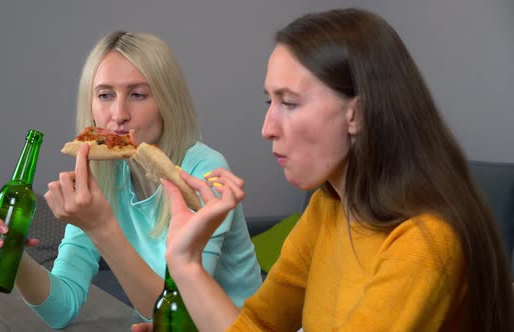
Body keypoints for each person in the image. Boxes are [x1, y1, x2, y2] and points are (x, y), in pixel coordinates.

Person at [133, 8, 514, 332]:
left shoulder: (425, 241)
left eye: (290, 103)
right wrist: (184, 260)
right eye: (270, 100)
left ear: (356, 114)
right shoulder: (328, 208)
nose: (267, 127)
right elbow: (257, 326)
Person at [0, 31, 262, 328]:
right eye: (105, 95)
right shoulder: (105, 174)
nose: (118, 115)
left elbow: (179, 316)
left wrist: (100, 226)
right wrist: (10, 251)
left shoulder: (204, 172)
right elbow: (61, 308)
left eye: (138, 94)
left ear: (168, 101)